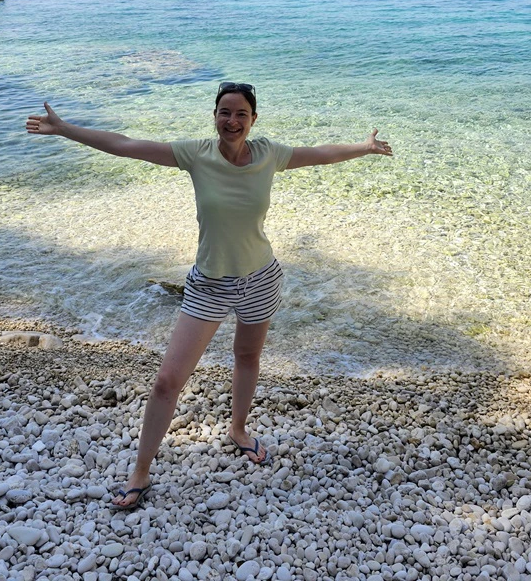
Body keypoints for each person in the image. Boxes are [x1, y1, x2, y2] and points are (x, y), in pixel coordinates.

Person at [26, 82, 392, 510]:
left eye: (241, 114)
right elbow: (125, 145)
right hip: (209, 284)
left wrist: (363, 147)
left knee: (247, 357)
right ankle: (140, 472)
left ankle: (238, 429)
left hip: (261, 278)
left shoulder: (270, 154)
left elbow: (320, 153)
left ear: (254, 120)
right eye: (224, 112)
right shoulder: (195, 154)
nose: (232, 121)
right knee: (167, 381)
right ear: (214, 116)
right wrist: (66, 129)